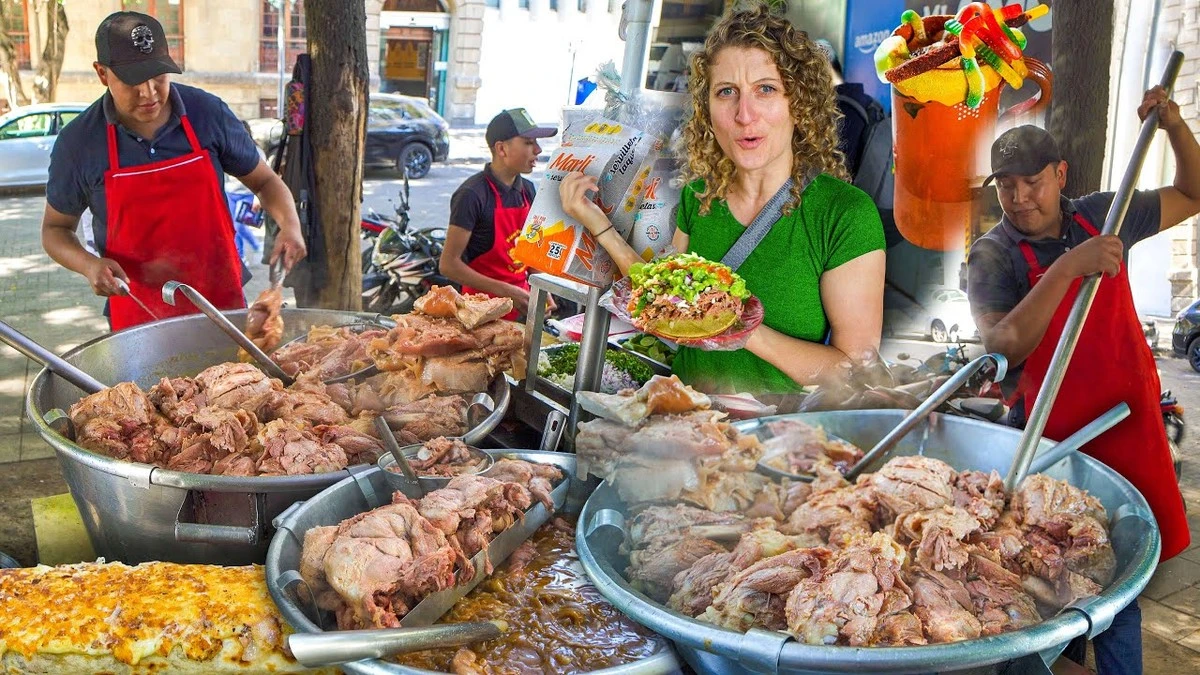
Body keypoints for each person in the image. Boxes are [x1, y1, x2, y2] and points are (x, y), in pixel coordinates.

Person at [966, 91, 1200, 673]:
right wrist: (1070, 267)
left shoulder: (1106, 214)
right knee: (1056, 581)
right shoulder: (992, 255)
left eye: (1033, 182)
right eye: (1005, 185)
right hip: (1054, 446)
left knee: (1120, 584)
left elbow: (1195, 193)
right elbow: (1003, 345)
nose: (1019, 199)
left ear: (1060, 174)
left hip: (1129, 424)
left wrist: (1173, 126)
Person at [560, 3, 886, 394]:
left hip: (779, 442)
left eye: (766, 89)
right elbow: (662, 290)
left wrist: (737, 328)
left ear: (798, 104)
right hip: (684, 420)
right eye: (726, 92)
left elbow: (854, 375)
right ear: (707, 112)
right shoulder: (698, 194)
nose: (744, 114)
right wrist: (597, 221)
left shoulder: (845, 214)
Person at [40, 11, 305, 331]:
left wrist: (290, 226)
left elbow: (264, 181)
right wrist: (89, 265)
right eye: (133, 82)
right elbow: (55, 230)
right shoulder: (79, 143)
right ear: (101, 73)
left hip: (220, 304)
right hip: (137, 314)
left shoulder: (208, 114)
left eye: (158, 76)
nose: (149, 93)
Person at [440, 107, 557, 318]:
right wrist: (506, 292)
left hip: (521, 304)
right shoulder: (471, 195)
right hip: (479, 311)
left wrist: (541, 287)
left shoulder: (528, 190)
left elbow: (529, 248)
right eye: (529, 143)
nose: (538, 150)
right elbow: (448, 265)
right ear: (501, 149)